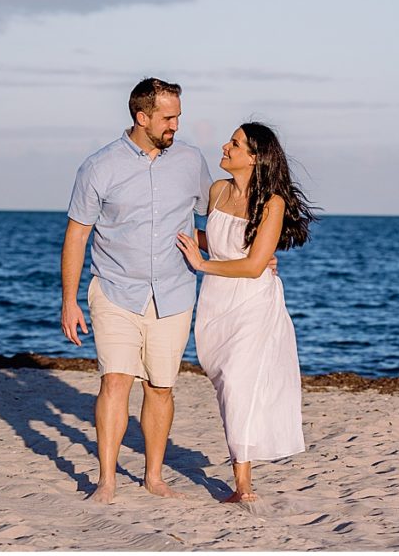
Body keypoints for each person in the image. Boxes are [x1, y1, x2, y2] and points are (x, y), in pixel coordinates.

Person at [60, 77, 214, 504]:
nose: (176, 125)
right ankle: (106, 481)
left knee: (161, 388)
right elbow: (77, 235)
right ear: (141, 117)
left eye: (178, 116)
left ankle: (154, 477)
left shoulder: (190, 161)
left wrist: (251, 252)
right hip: (115, 290)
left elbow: (213, 221)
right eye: (168, 117)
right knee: (115, 382)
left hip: (175, 291)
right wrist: (69, 301)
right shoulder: (99, 166)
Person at [176, 121, 317, 503]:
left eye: (235, 144)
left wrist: (201, 264)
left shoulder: (271, 203)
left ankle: (243, 485)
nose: (225, 146)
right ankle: (242, 469)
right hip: (216, 301)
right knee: (225, 382)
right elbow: (219, 240)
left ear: (254, 158)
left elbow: (254, 266)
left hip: (254, 302)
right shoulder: (218, 191)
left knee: (239, 381)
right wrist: (192, 243)